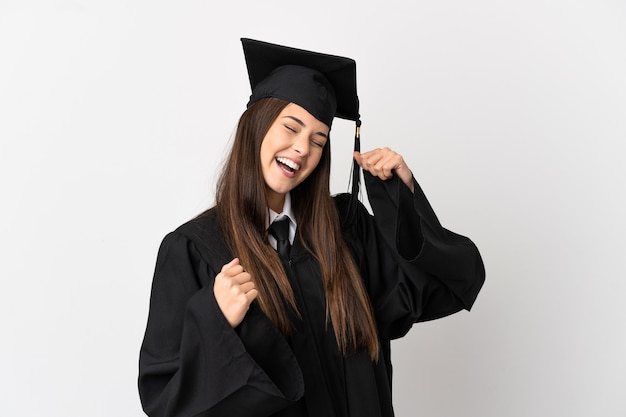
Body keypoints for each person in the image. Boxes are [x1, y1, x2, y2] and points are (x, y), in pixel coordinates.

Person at [138, 38, 485, 417]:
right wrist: (214, 320)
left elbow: (441, 288)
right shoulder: (195, 250)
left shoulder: (347, 232)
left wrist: (401, 200)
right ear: (257, 124)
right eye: (291, 127)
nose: (302, 148)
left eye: (318, 140)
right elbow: (166, 402)